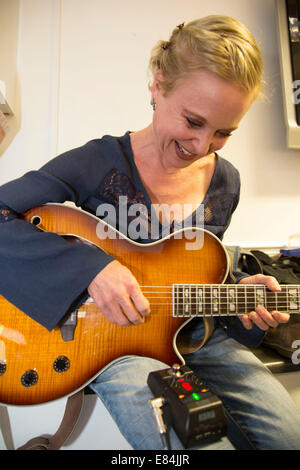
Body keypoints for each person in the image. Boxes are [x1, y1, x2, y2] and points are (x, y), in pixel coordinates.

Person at [0, 15, 300, 450]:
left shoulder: (226, 182)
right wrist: (91, 269)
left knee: (288, 438)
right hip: (114, 344)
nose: (202, 146)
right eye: (193, 122)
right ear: (158, 86)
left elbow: (199, 277)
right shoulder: (94, 162)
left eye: (223, 132)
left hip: (200, 339)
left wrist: (243, 300)